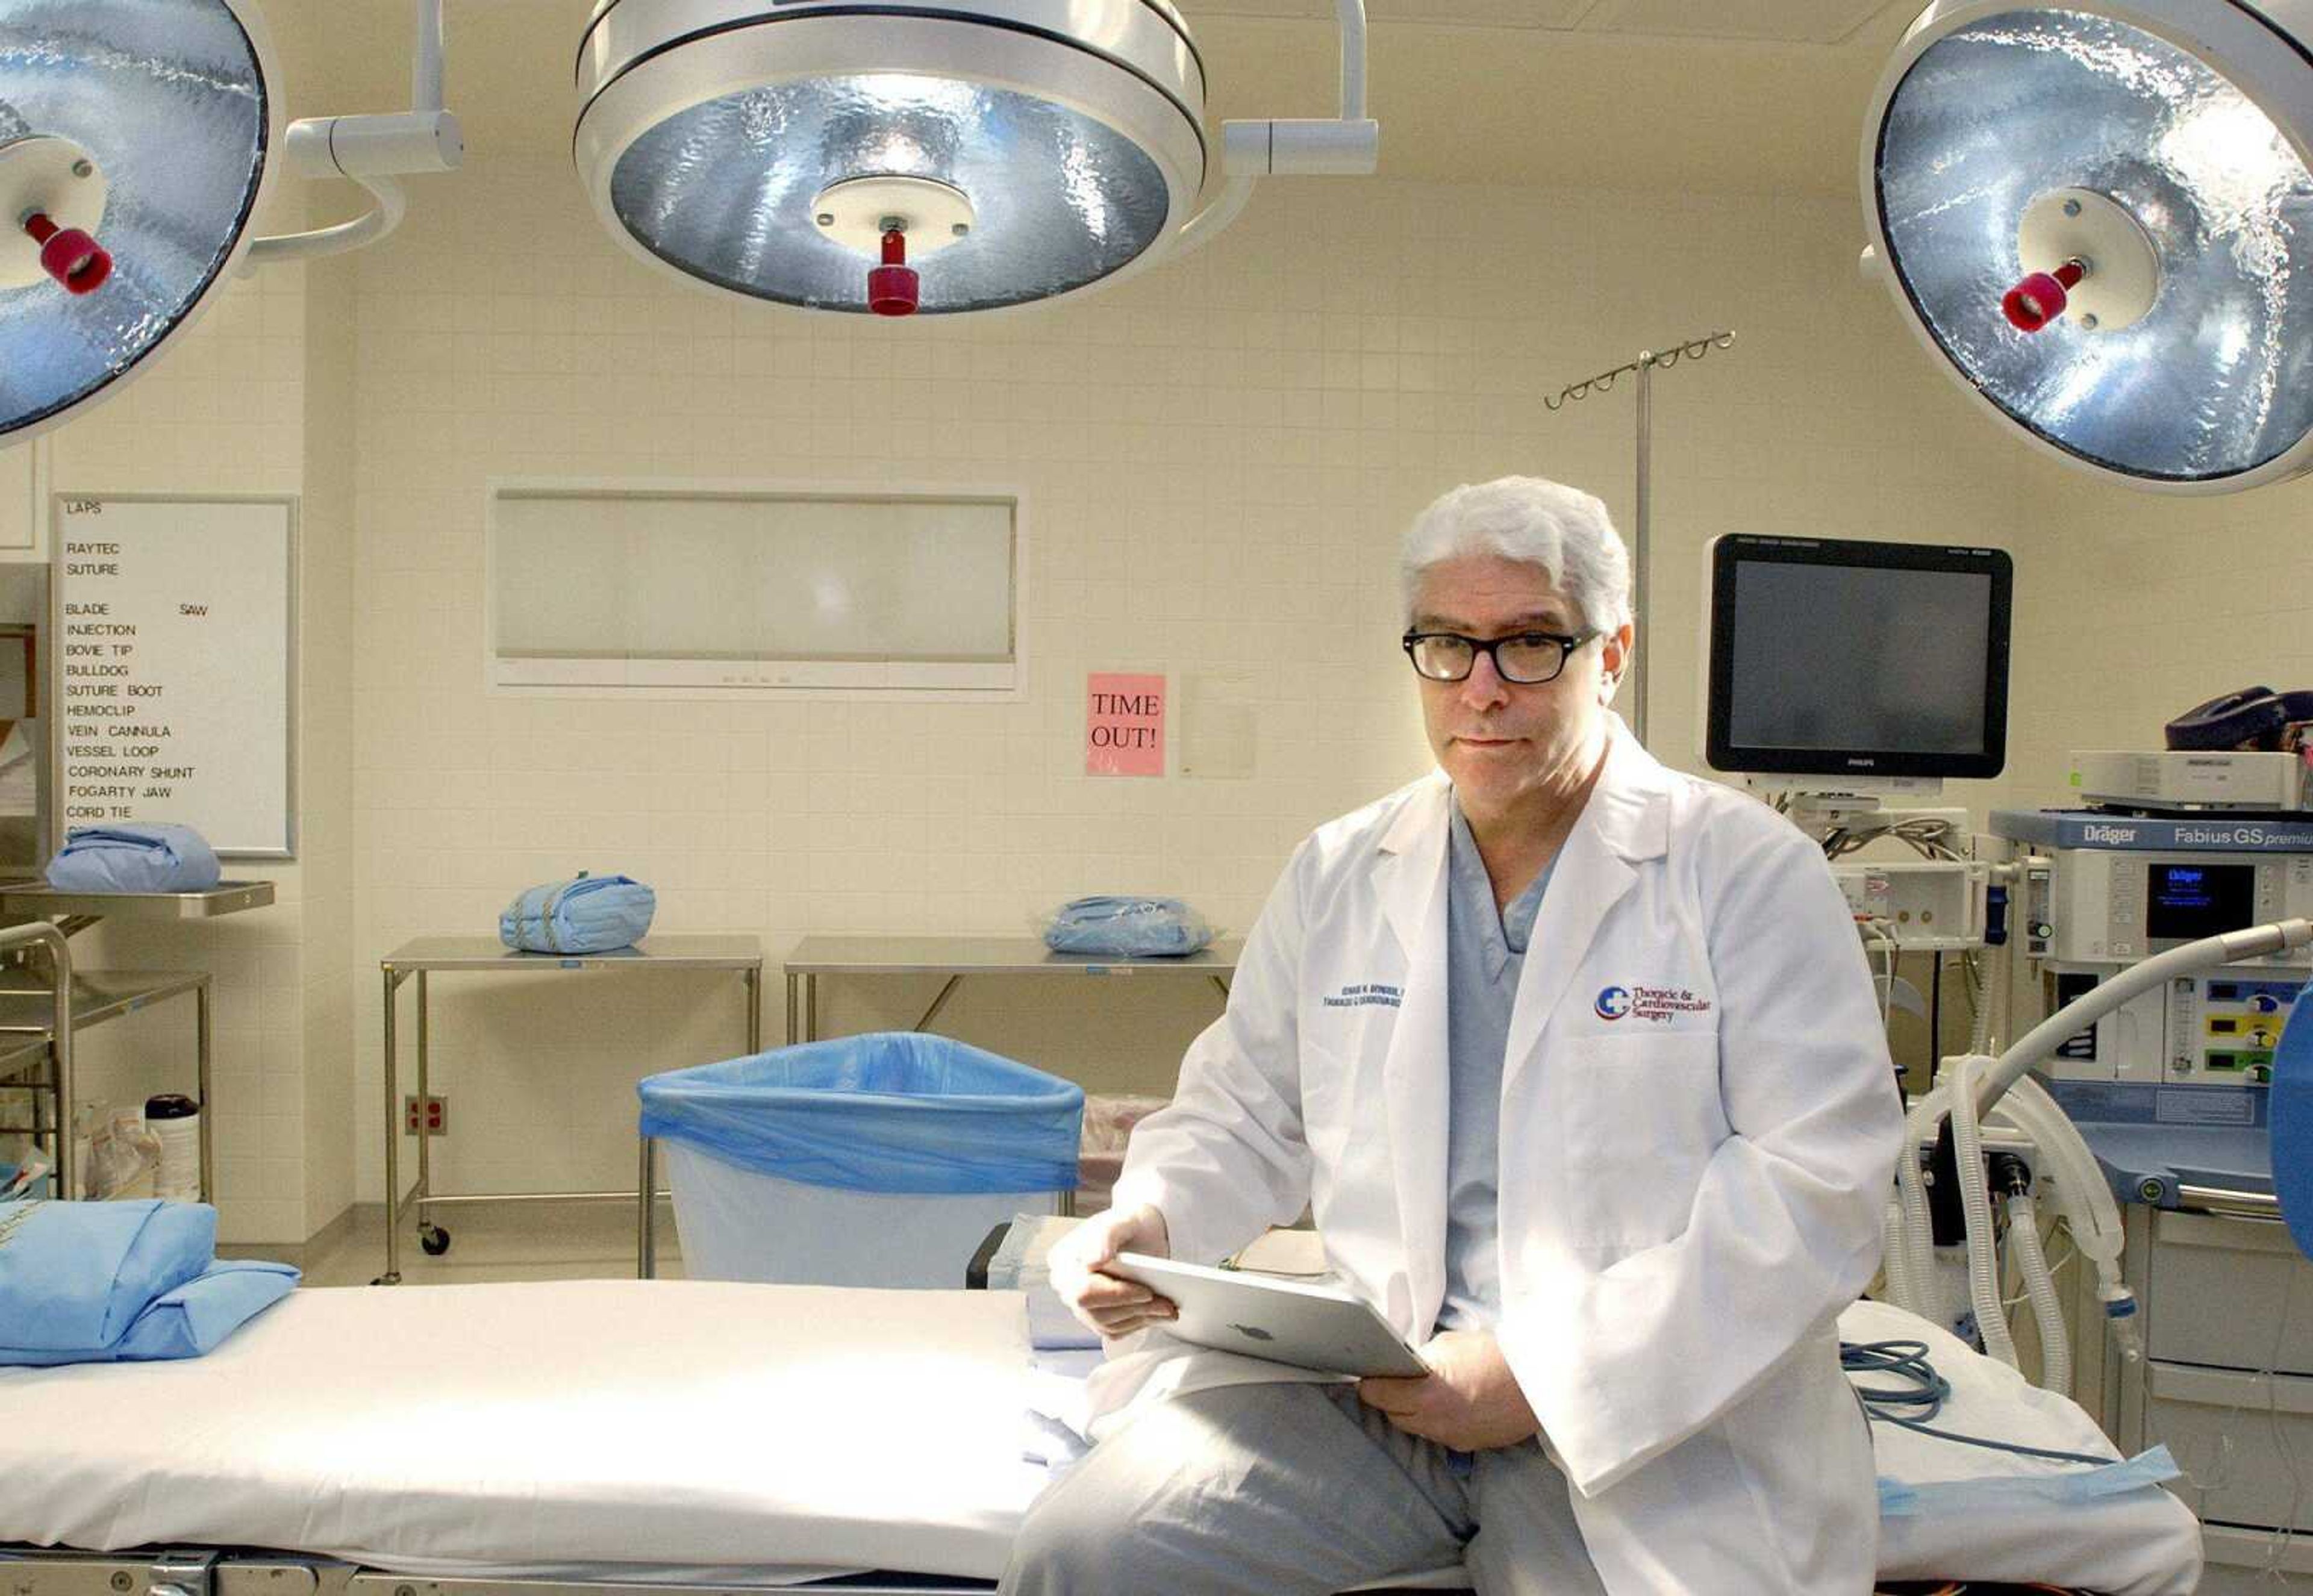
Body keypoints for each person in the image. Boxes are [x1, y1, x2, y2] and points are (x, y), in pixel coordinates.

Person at [1002, 476, 1905, 1595]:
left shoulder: (1745, 874)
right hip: (1385, 1392)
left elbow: (1820, 1190)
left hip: (1641, 1417)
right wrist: (1150, 1216)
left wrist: (1539, 1377)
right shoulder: (1343, 870)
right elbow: (1246, 1109)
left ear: (1610, 653)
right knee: (1083, 1554)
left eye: (1529, 644)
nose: (1482, 689)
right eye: (1447, 645)